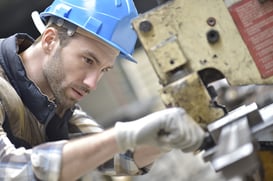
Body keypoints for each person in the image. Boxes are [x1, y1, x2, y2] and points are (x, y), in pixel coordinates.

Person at [0, 0, 205, 180]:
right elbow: (11, 171)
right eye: (88, 60)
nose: (92, 83)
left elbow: (118, 157)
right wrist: (123, 136)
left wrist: (166, 136)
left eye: (103, 70)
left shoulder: (55, 105)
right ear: (50, 40)